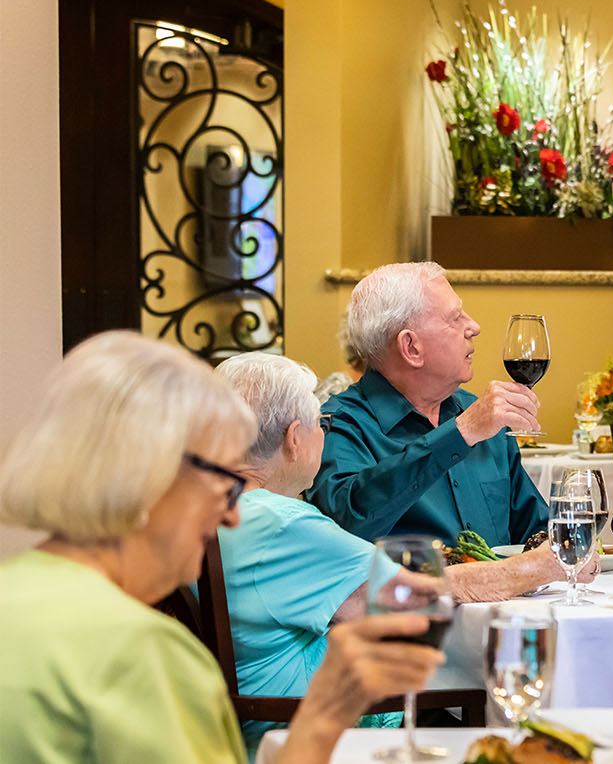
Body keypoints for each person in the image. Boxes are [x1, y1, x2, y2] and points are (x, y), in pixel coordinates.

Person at [0, 331, 442, 764]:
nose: (231, 516)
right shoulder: (138, 652)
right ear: (153, 476)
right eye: (225, 485)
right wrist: (325, 715)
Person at [216, 353, 583, 752]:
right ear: (293, 438)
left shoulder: (217, 508)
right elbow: (415, 591)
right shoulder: (283, 523)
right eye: (321, 425)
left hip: (268, 729)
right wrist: (545, 564)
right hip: (317, 742)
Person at [307, 262, 550, 546]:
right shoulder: (340, 425)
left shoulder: (481, 418)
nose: (474, 327)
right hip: (408, 591)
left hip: (509, 592)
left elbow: (535, 530)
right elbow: (346, 525)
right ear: (411, 347)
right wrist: (459, 435)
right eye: (455, 318)